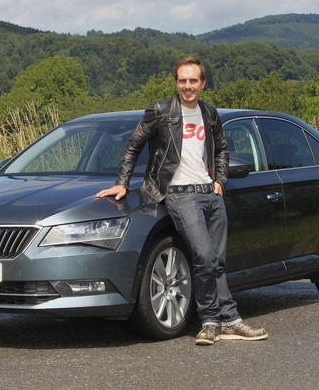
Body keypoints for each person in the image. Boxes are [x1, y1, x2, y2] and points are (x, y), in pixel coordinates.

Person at [96, 57, 268, 345]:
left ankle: (231, 321)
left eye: (193, 81)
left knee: (218, 260)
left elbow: (222, 149)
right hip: (179, 194)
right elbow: (133, 145)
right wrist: (122, 184)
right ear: (176, 83)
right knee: (204, 256)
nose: (187, 86)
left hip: (209, 194)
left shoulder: (209, 113)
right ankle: (210, 321)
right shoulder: (161, 111)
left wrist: (220, 181)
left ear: (203, 83)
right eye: (182, 81)